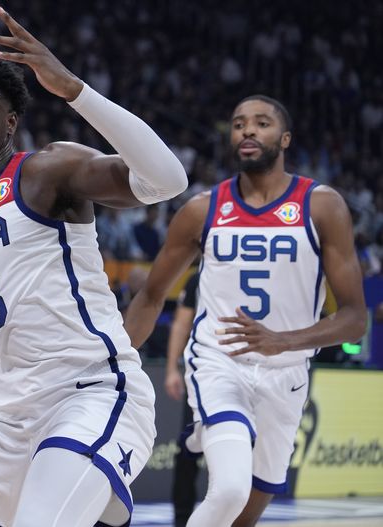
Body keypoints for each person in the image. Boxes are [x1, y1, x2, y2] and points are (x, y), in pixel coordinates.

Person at [0, 7, 188, 527]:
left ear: (10, 123)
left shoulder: (45, 171)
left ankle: (93, 497)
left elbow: (167, 180)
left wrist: (73, 89)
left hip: (89, 394)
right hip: (9, 424)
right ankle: (101, 509)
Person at [125, 95, 367, 526]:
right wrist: (117, 359)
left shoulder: (322, 205)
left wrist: (284, 341)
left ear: (285, 139)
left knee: (246, 513)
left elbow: (354, 318)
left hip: (288, 373)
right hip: (220, 363)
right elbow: (151, 295)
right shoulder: (202, 209)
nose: (248, 131)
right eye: (238, 124)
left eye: (261, 123)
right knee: (230, 489)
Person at [165, 272, 201, 527]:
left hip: (252, 373)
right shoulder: (197, 278)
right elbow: (181, 323)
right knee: (188, 451)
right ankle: (181, 520)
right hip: (204, 375)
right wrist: (171, 369)